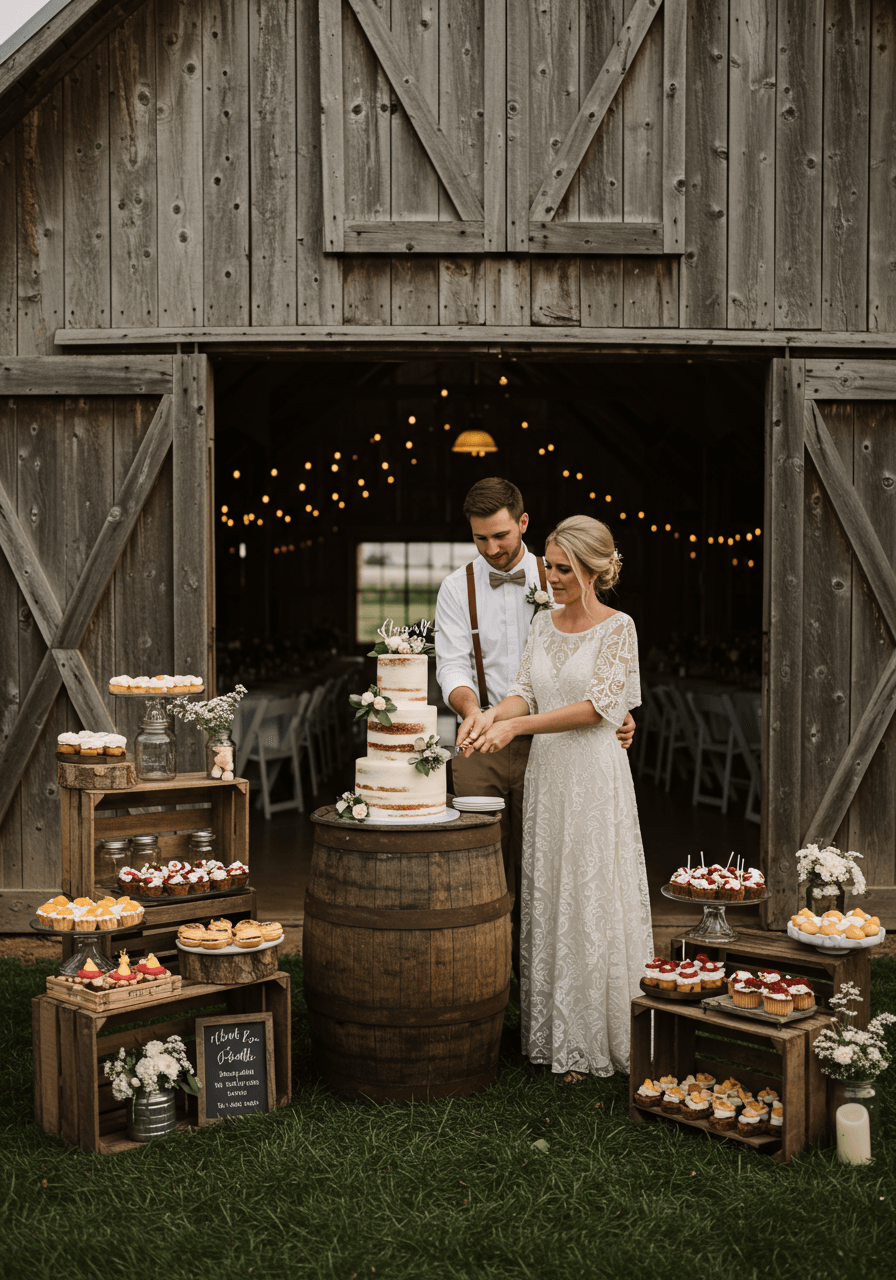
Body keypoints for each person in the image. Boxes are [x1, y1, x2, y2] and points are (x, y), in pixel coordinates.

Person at [461, 514, 652, 1080]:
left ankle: (596, 1036)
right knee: (550, 891)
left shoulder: (620, 628)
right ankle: (553, 1031)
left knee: (591, 893)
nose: (552, 577)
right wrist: (491, 717)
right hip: (549, 777)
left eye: (564, 569)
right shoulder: (543, 623)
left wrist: (516, 730)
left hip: (593, 776)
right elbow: (523, 689)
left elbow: (599, 707)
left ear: (595, 570)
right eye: (548, 565)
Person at [435, 479, 635, 967]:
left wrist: (618, 708)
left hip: (559, 748)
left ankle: (542, 976)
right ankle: (483, 975)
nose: (491, 548)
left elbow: (598, 668)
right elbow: (454, 665)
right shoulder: (456, 587)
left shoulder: (561, 575)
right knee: (481, 866)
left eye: (500, 535)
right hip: (487, 736)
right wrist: (474, 714)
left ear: (522, 523)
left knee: (547, 870)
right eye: (480, 539)